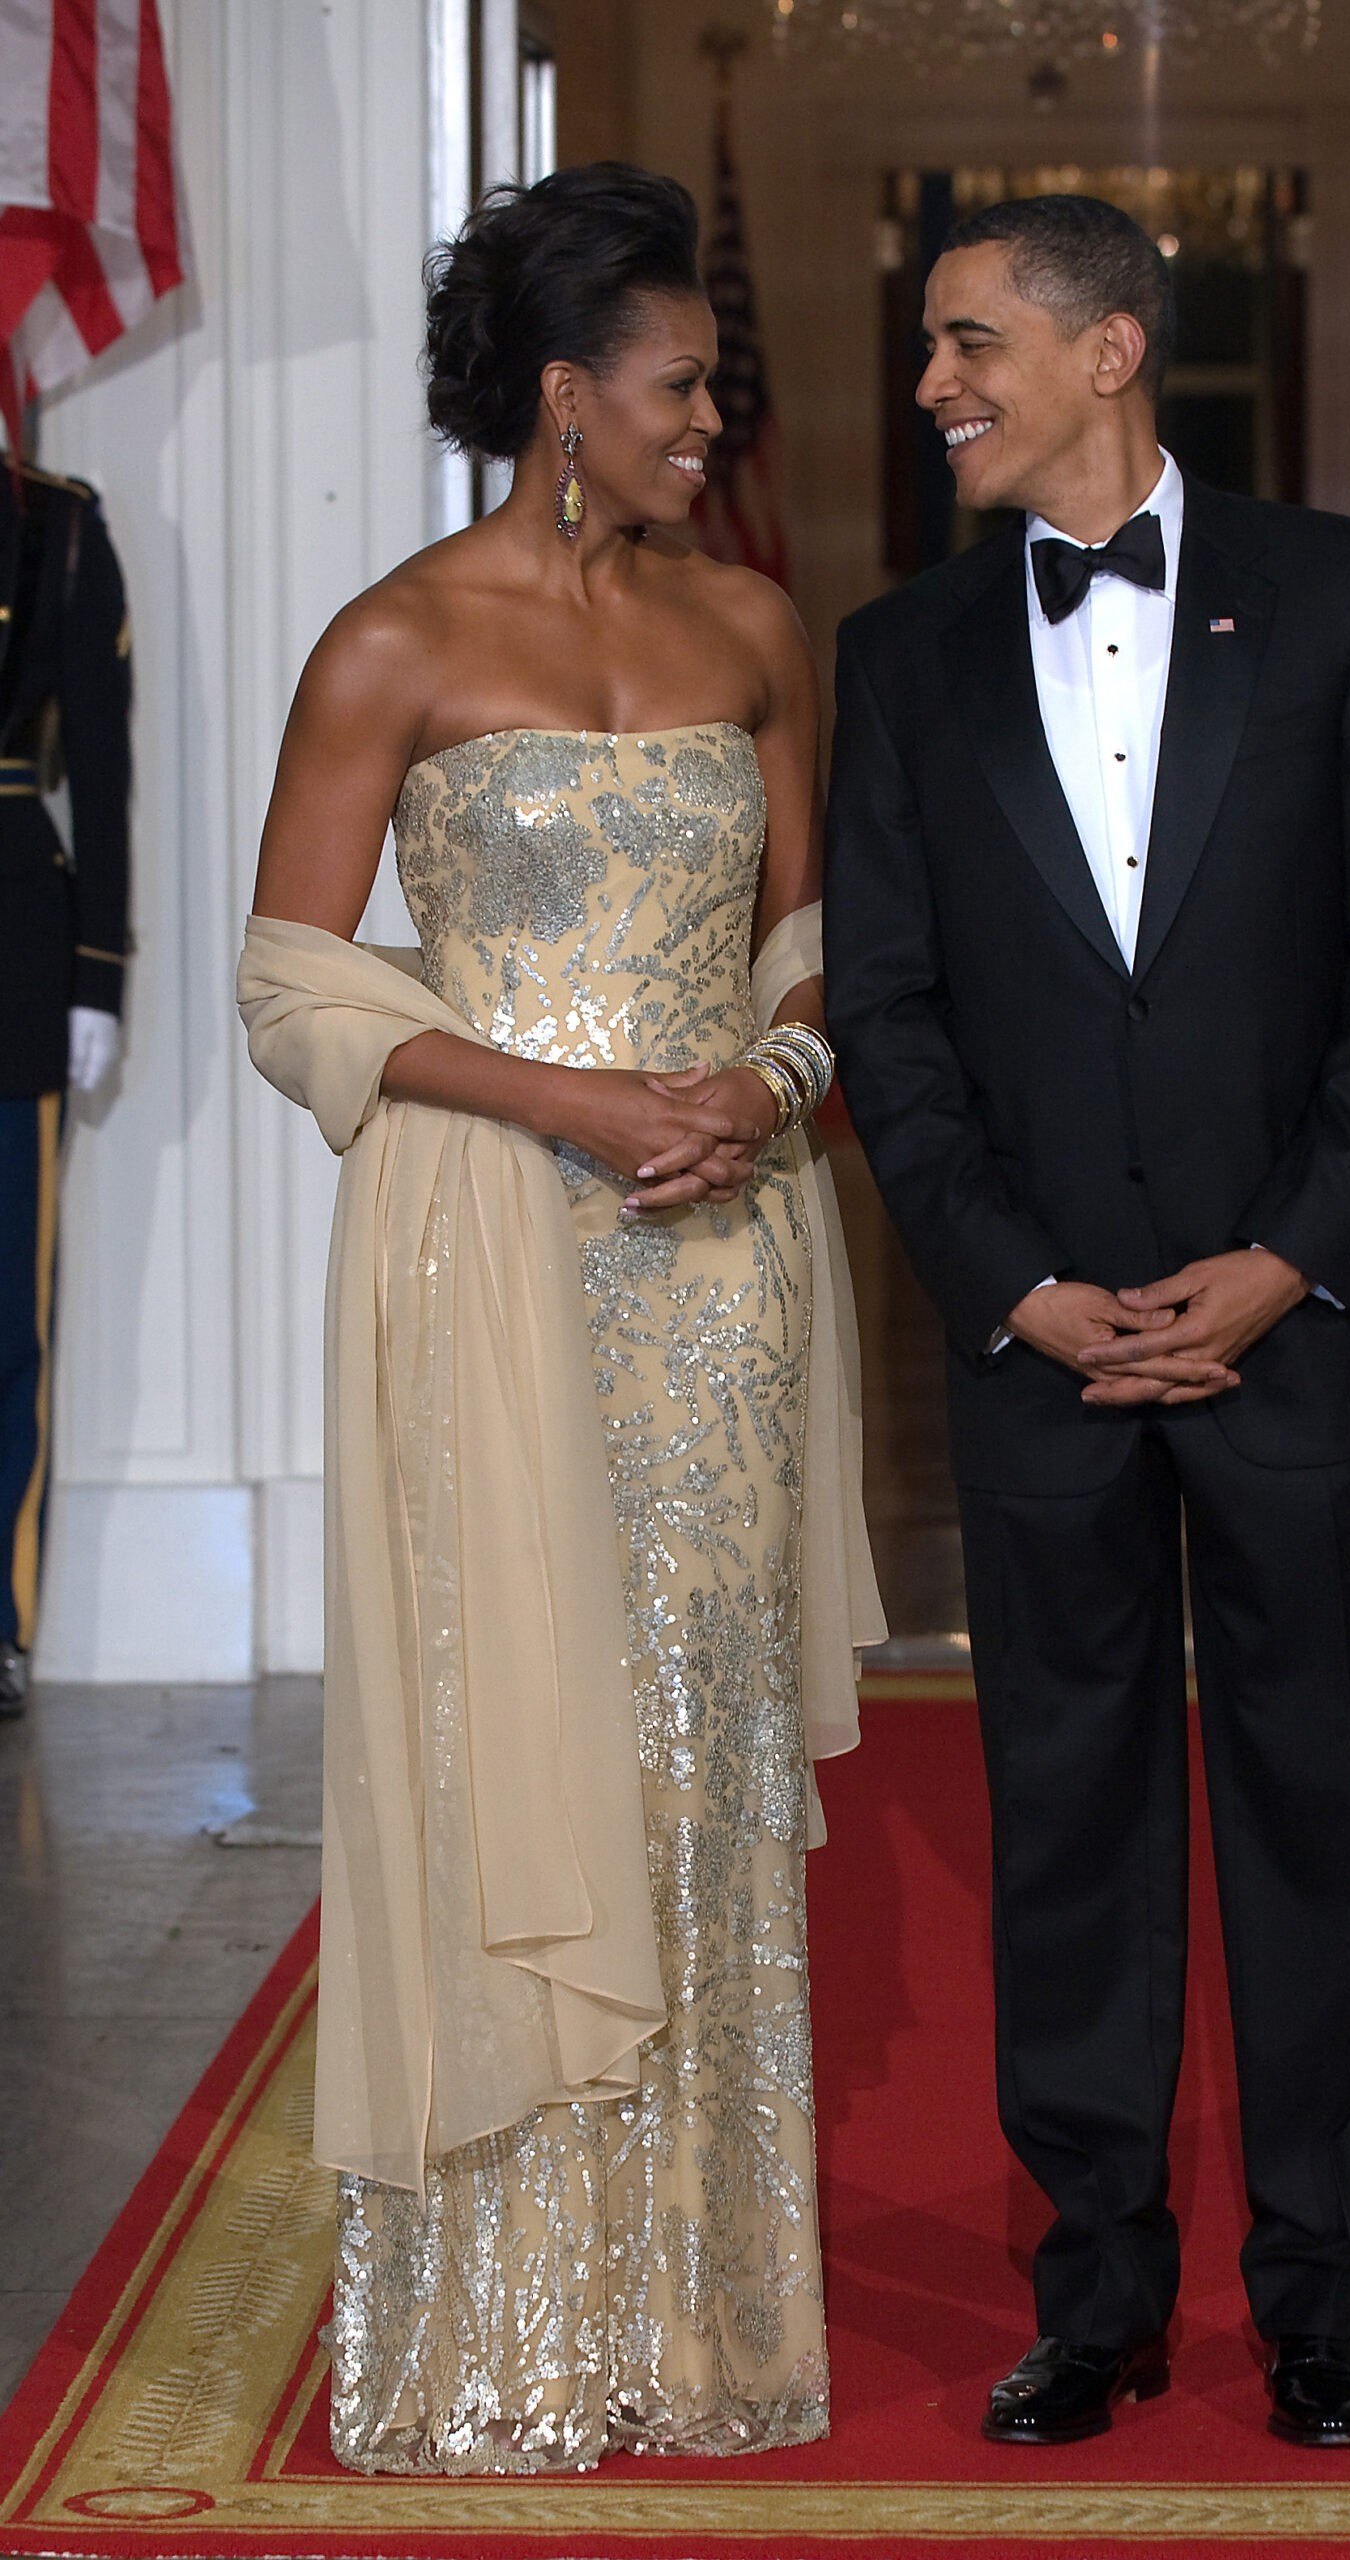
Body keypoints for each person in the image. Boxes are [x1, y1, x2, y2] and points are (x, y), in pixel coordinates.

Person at [237, 162, 882, 2475]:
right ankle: (502, 2329)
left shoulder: (752, 631)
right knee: (504, 1719)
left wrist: (764, 1082)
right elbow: (290, 976)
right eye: (686, 384)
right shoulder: (393, 643)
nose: (717, 422)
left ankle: (698, 2323)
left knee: (691, 1747)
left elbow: (812, 938)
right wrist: (567, 1100)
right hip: (486, 1244)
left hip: (721, 1258)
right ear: (563, 393)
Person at [825, 194, 1350, 2451]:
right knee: (1066, 1821)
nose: (933, 385)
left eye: (969, 341)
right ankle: (1090, 2288)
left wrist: (1286, 1257)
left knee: (1322, 1823)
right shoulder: (895, 658)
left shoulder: (1347, 596)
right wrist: (1013, 1284)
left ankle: (1320, 2296)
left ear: (1110, 352)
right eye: (928, 349)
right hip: (1038, 1349)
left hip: (1292, 1334)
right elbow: (886, 1022)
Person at [0, 458, 131, 1716]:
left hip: (13, 947)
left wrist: (100, 971)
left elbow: (99, 752)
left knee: (3, 1316)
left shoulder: (55, 527)